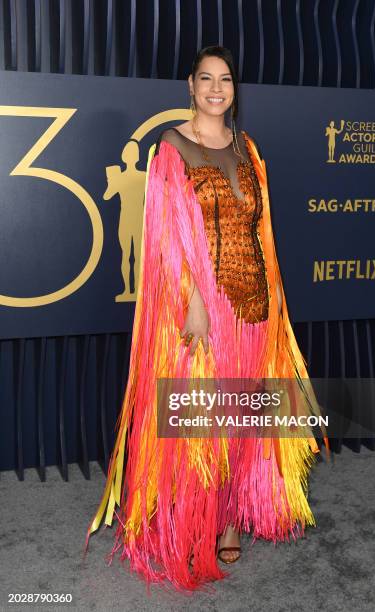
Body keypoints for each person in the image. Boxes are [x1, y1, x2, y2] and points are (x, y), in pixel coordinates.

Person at [84, 45, 330, 592]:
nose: (216, 88)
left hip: (256, 305)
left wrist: (276, 307)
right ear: (189, 87)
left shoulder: (247, 147)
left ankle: (228, 517)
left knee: (246, 412)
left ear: (234, 90)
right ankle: (192, 516)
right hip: (203, 305)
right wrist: (192, 301)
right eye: (206, 79)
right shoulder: (172, 147)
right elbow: (168, 234)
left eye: (225, 80)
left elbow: (261, 232)